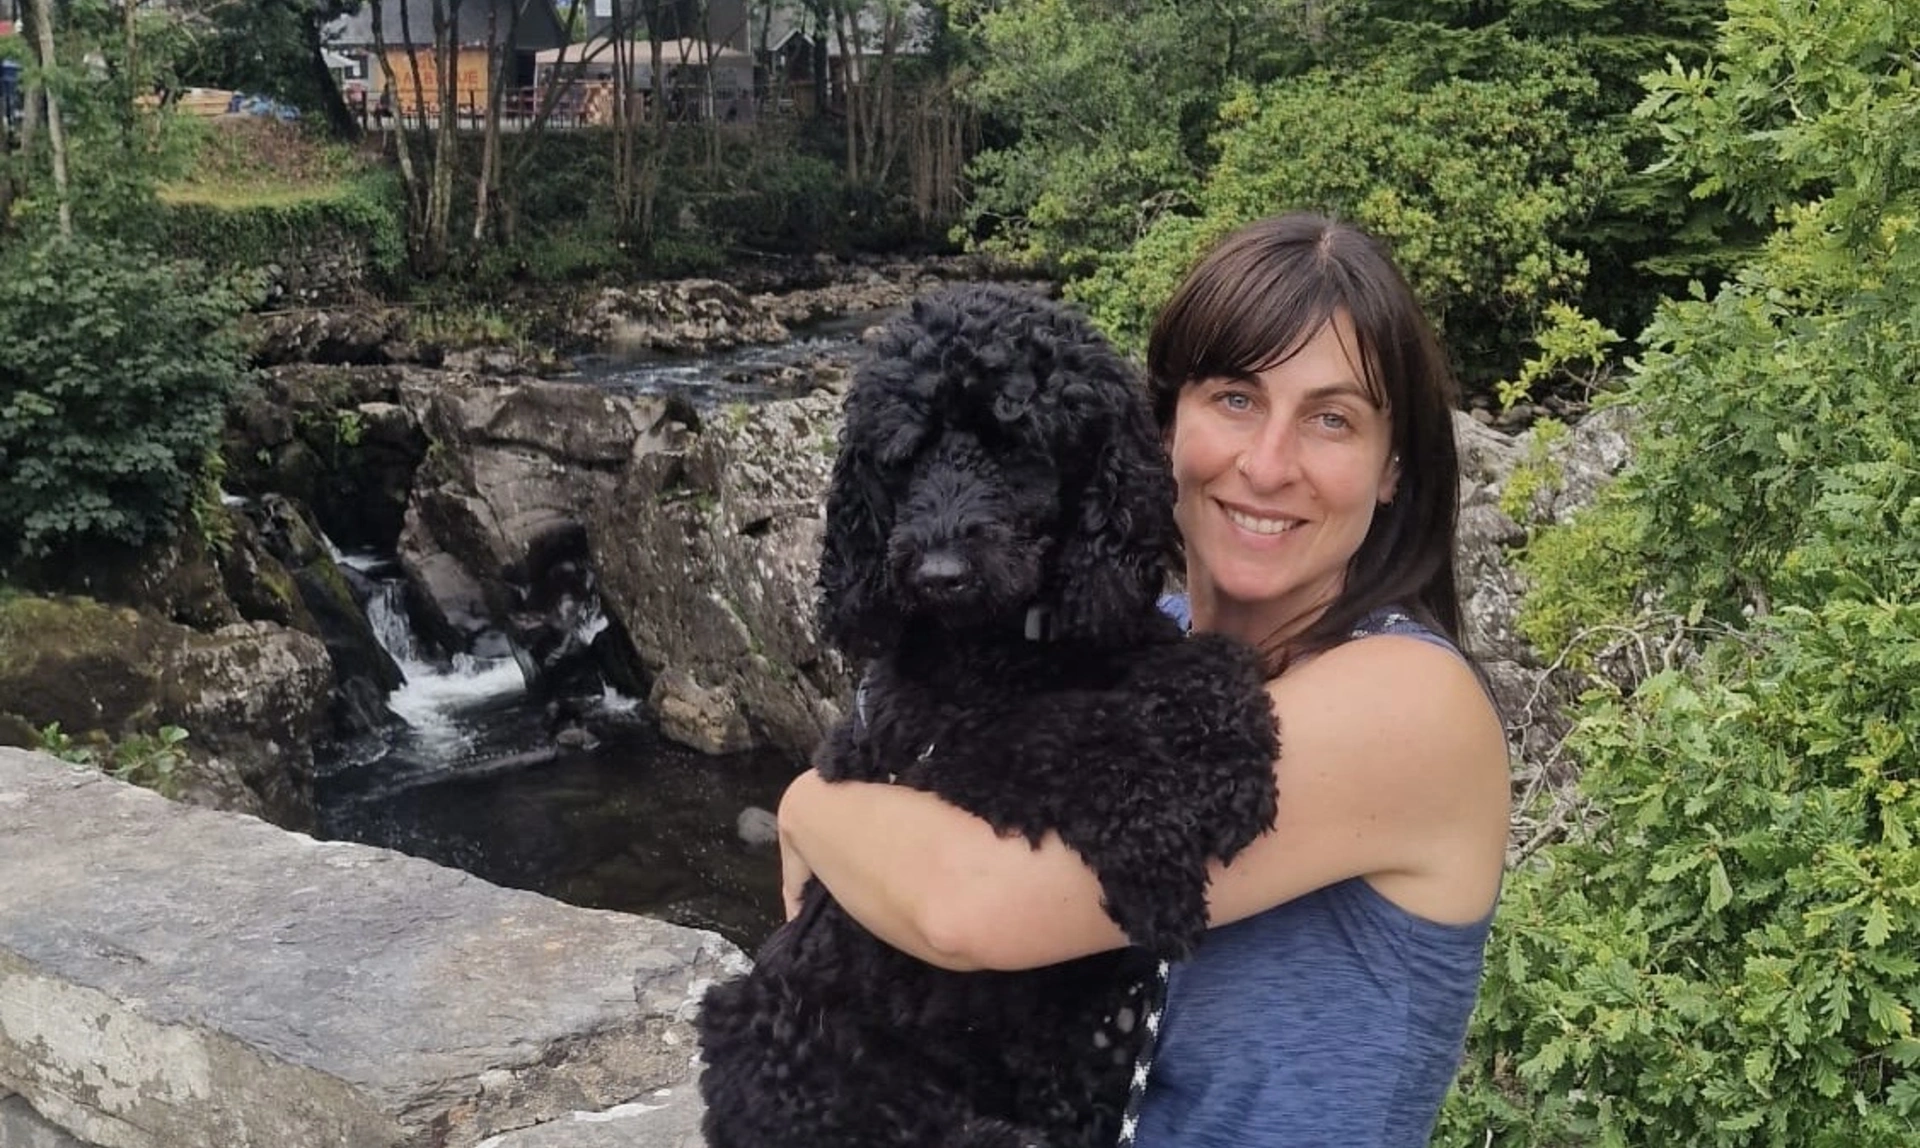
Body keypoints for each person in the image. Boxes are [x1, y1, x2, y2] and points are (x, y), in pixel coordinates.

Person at [775, 213, 1511, 1147]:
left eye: (1331, 419)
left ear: (1394, 465)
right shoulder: (1128, 641)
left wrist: (807, 806)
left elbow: (965, 906)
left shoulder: (1409, 705)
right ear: (1161, 425)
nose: (1268, 464)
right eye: (1235, 399)